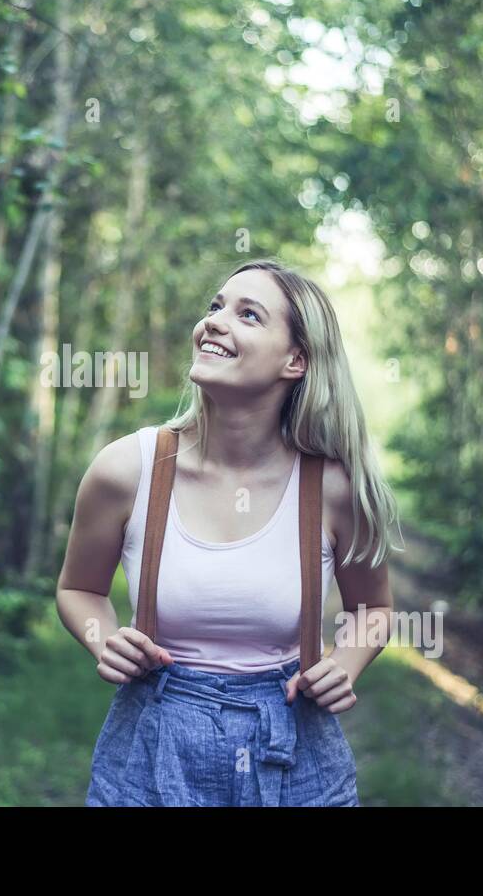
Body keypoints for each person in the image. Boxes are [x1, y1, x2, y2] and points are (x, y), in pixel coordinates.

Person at [55, 258, 403, 806]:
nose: (215, 321)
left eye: (248, 315)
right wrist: (104, 640)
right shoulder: (127, 469)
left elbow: (373, 609)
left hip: (294, 753)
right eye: (216, 307)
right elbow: (79, 589)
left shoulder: (333, 488)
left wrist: (344, 664)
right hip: (151, 746)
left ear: (296, 360)